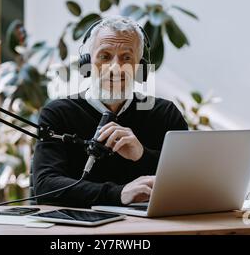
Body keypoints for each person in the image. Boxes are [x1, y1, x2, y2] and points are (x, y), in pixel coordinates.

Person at [32, 16, 188, 208]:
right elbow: (45, 186)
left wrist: (142, 155)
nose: (115, 68)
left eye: (126, 57)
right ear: (87, 64)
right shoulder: (58, 113)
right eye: (105, 56)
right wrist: (118, 194)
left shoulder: (165, 114)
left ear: (140, 67)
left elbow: (189, 179)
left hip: (151, 226)